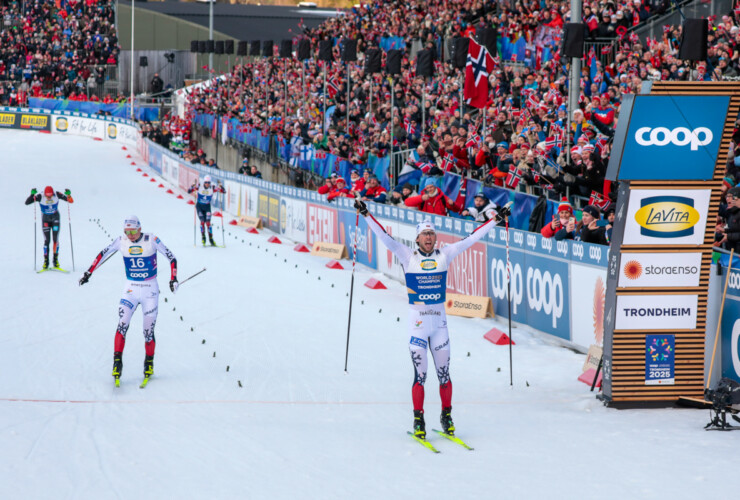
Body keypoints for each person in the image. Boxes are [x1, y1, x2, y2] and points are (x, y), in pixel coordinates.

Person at [354, 198, 511, 439]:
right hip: (417, 325)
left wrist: (495, 221)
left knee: (444, 375)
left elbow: (471, 238)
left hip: (439, 325)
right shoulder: (407, 255)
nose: (428, 238)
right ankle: (419, 419)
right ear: (417, 239)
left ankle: (446, 415)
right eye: (424, 234)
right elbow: (385, 238)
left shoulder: (445, 253)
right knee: (421, 375)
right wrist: (365, 214)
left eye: (431, 234)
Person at [78, 216, 178, 385]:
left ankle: (149, 363)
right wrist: (88, 272)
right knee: (122, 323)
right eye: (127, 232)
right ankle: (117, 363)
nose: (130, 235)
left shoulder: (152, 239)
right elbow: (103, 254)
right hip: (130, 288)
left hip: (149, 290)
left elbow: (172, 257)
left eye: (133, 231)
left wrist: (173, 278)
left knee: (148, 331)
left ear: (140, 228)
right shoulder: (120, 241)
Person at [25, 185, 74, 269]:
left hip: (55, 218)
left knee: (55, 239)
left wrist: (69, 195)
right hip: (46, 220)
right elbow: (27, 202)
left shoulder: (57, 194)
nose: (49, 197)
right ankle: (46, 261)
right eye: (47, 196)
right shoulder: (40, 196)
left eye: (50, 196)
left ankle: (55, 260)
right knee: (47, 240)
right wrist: (32, 195)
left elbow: (70, 201)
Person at [188, 175, 224, 246]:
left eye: (208, 182)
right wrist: (192, 186)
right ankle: (203, 237)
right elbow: (189, 191)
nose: (207, 184)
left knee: (208, 223)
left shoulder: (212, 188)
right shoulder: (199, 186)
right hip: (199, 207)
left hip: (207, 207)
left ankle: (211, 239)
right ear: (204, 182)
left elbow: (223, 191)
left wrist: (221, 186)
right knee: (202, 222)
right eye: (206, 182)